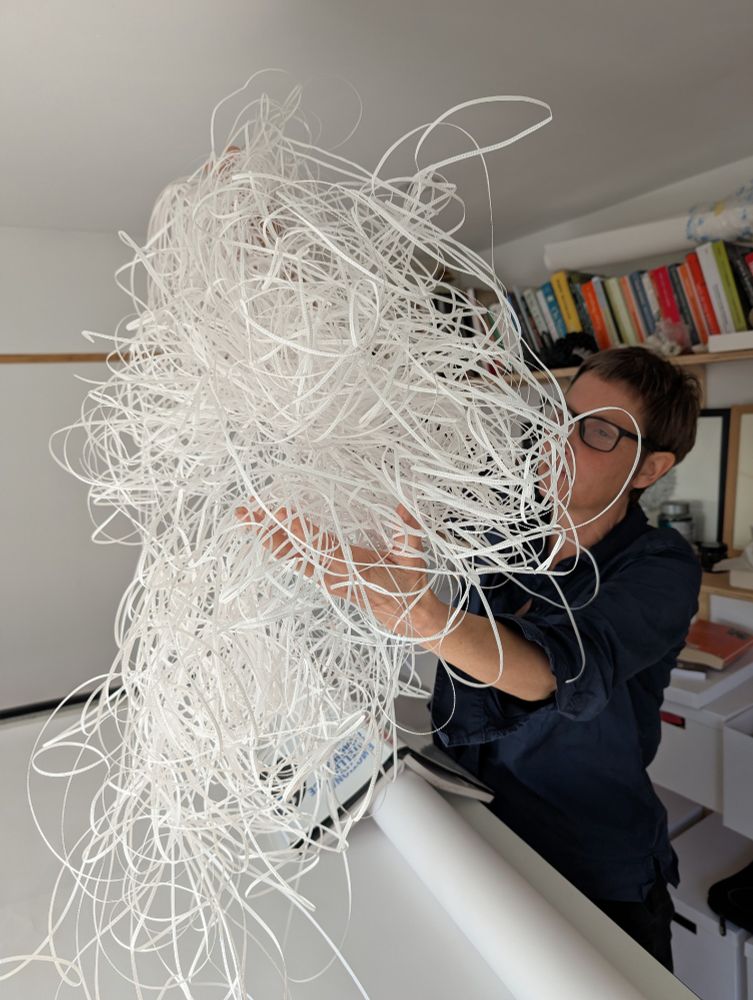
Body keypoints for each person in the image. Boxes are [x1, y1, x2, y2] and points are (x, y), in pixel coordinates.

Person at [236, 345, 702, 972]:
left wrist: (425, 616)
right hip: (469, 828)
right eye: (561, 415)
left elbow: (551, 671)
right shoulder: (502, 529)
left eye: (595, 431)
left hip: (592, 860)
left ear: (650, 469)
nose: (558, 441)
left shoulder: (661, 569)